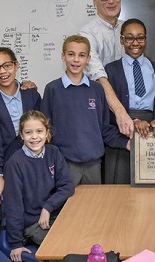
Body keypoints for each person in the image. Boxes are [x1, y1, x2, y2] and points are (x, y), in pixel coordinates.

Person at [41, 35, 129, 186]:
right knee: (66, 207)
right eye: (71, 54)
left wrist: (126, 143)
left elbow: (104, 129)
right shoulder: (52, 89)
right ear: (63, 57)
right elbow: (45, 130)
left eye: (81, 55)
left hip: (94, 165)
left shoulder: (97, 89)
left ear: (88, 59)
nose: (76, 60)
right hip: (64, 163)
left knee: (94, 207)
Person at [2, 111, 74, 262]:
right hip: (32, 223)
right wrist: (15, 243)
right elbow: (13, 205)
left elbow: (67, 185)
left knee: (81, 234)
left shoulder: (53, 152)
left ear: (47, 132)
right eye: (28, 132)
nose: (34, 137)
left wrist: (48, 207)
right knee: (63, 246)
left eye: (39, 131)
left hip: (54, 215)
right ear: (21, 135)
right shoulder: (14, 164)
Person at [104, 18, 155, 184]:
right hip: (122, 133)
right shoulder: (110, 70)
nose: (135, 43)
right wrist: (133, 121)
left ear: (145, 40)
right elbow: (108, 109)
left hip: (151, 132)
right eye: (129, 38)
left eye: (140, 38)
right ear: (121, 40)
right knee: (120, 190)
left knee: (150, 189)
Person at [0, 47, 41, 201]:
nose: (3, 71)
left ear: (16, 65)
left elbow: (43, 131)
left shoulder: (31, 94)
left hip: (34, 163)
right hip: (5, 165)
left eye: (7, 65)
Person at [79, 0, 135, 139]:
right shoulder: (87, 35)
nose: (111, 1)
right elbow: (99, 77)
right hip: (101, 112)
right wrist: (120, 112)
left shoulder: (128, 29)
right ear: (94, 0)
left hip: (129, 109)